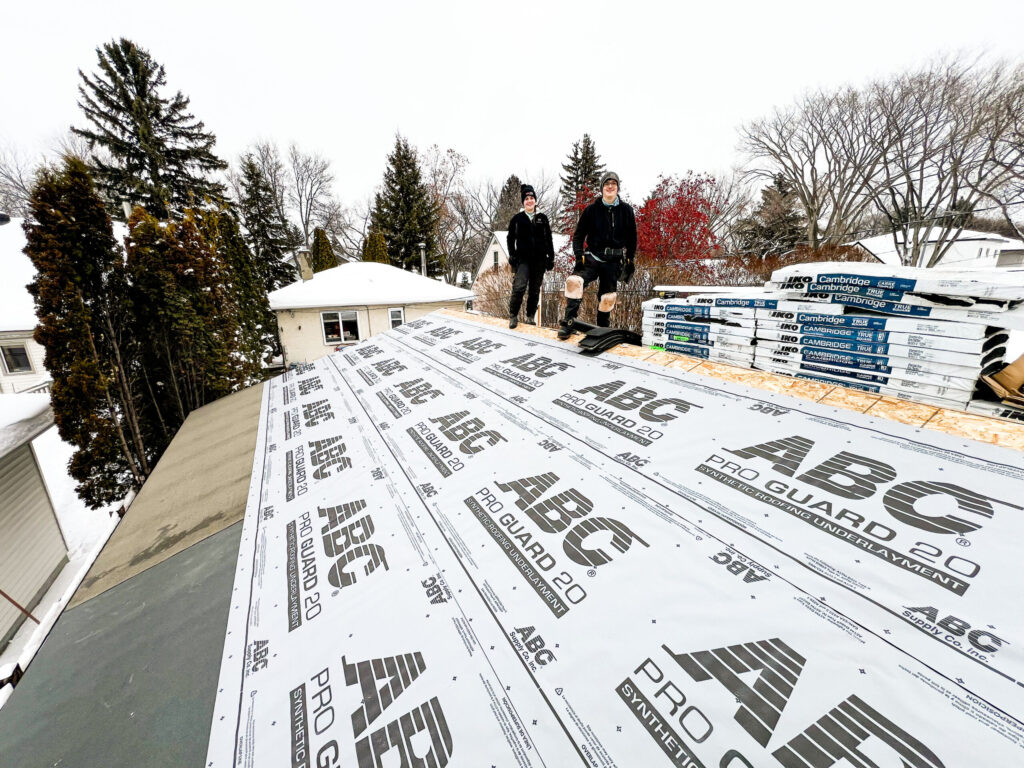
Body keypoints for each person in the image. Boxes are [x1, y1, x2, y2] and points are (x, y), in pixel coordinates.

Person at [558, 171, 636, 339]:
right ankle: (569, 322)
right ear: (602, 188)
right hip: (593, 257)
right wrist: (579, 256)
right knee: (574, 282)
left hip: (614, 260)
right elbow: (578, 236)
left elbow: (632, 238)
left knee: (608, 298)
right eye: (606, 184)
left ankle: (602, 330)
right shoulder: (591, 210)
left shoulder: (627, 211)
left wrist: (630, 259)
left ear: (617, 188)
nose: (610, 186)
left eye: (613, 184)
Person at [506, 184, 555, 328]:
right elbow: (510, 239)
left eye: (532, 198)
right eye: (526, 198)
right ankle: (513, 315)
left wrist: (551, 257)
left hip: (539, 260)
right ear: (523, 202)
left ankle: (530, 316)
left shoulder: (542, 218)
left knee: (534, 290)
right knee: (519, 287)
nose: (529, 200)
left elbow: (549, 239)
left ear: (535, 200)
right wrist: (512, 255)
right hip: (523, 260)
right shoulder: (517, 219)